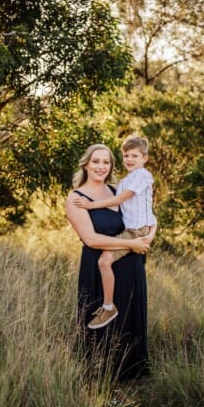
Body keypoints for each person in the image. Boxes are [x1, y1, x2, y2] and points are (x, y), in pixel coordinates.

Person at [66, 143, 154, 381]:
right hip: (99, 267)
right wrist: (132, 245)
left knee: (129, 318)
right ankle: (99, 376)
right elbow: (91, 240)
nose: (101, 166)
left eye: (106, 162)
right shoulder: (76, 198)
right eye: (96, 161)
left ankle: (131, 373)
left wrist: (149, 235)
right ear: (86, 164)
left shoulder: (118, 191)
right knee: (101, 324)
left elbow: (144, 215)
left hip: (130, 265)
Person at [73, 134, 157, 330]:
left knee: (104, 261)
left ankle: (109, 307)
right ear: (86, 165)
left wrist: (90, 205)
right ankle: (108, 306)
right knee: (103, 261)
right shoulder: (125, 181)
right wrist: (147, 234)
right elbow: (91, 239)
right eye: (126, 156)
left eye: (135, 156)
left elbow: (120, 200)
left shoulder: (141, 176)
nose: (129, 160)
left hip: (135, 233)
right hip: (132, 235)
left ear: (145, 158)